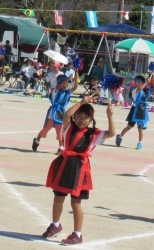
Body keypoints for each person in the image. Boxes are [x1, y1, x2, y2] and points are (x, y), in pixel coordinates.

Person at [42, 94, 115, 244]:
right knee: (58, 199)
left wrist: (110, 116)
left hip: (80, 170)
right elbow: (68, 114)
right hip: (64, 166)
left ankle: (77, 234)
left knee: (76, 203)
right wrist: (82, 101)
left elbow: (112, 133)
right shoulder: (68, 128)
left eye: (85, 117)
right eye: (79, 116)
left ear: (91, 120)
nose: (82, 119)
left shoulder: (94, 134)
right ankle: (55, 225)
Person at [33, 72, 78, 155]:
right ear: (59, 83)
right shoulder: (56, 90)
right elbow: (59, 86)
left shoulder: (68, 92)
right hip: (53, 111)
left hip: (61, 112)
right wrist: (68, 78)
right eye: (63, 83)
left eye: (66, 83)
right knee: (46, 129)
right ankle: (37, 140)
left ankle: (61, 148)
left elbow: (75, 87)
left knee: (59, 130)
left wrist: (75, 78)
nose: (65, 84)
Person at [116, 75, 154, 150]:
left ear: (142, 83)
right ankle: (120, 136)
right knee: (129, 126)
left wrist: (153, 83)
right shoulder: (134, 90)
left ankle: (140, 143)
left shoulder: (146, 91)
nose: (136, 83)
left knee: (140, 128)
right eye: (135, 82)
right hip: (134, 109)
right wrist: (146, 82)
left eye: (138, 82)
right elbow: (139, 90)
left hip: (142, 110)